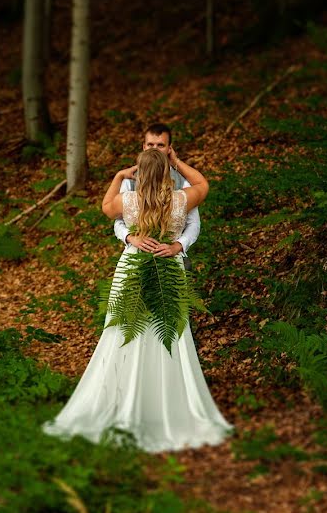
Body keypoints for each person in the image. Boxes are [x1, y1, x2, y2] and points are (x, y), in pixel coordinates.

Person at [43, 148, 233, 452]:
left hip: (132, 266)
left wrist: (119, 176)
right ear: (167, 173)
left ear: (141, 175)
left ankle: (125, 400)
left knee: (124, 334)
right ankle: (162, 406)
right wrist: (177, 163)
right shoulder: (181, 199)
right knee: (167, 333)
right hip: (168, 266)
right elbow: (203, 184)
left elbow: (106, 207)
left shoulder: (128, 201)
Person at [114, 123, 200, 268]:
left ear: (169, 149)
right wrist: (130, 237)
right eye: (150, 144)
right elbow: (118, 220)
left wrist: (178, 246)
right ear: (144, 147)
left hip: (172, 258)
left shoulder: (183, 179)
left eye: (160, 145)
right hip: (137, 258)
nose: (155, 149)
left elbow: (193, 222)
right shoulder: (129, 179)